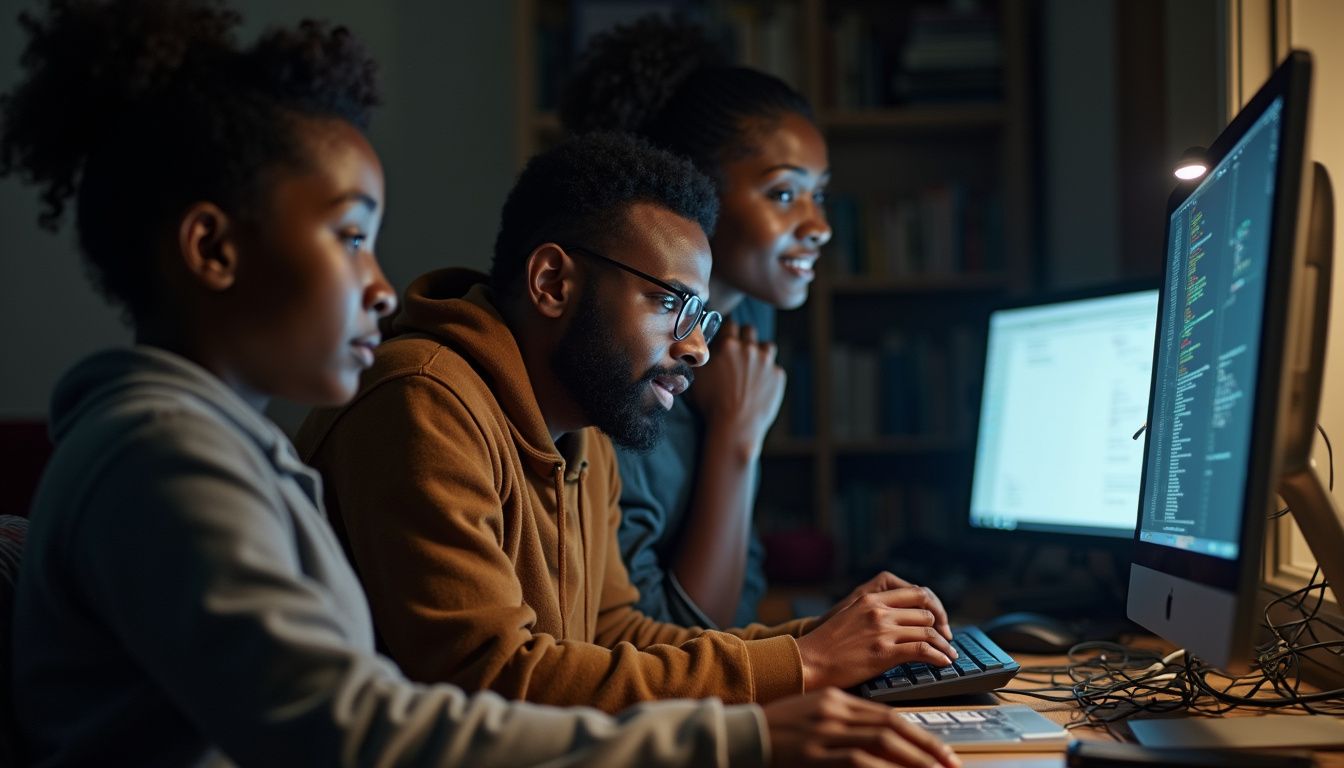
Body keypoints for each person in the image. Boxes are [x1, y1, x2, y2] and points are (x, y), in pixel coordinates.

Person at [0, 2, 960, 766]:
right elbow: (391, 720)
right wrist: (755, 718)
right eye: (351, 239)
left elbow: (609, 629)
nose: (382, 285)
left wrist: (802, 662)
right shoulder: (180, 460)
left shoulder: (232, 452)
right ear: (212, 249)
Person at [296, 130, 960, 715]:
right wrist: (807, 665)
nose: (698, 347)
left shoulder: (584, 429)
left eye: (701, 317)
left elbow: (616, 635)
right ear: (553, 282)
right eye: (671, 301)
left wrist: (821, 639)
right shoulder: (423, 402)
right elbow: (491, 680)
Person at [561, 16, 833, 628]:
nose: (820, 225)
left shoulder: (744, 329)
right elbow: (671, 637)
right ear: (694, 189)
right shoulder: (616, 356)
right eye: (786, 194)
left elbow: (739, 598)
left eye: (821, 194)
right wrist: (737, 439)